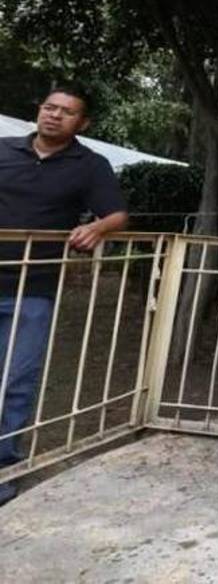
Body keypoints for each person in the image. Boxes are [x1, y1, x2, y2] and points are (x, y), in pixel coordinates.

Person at [0, 86, 128, 506]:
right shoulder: (4, 150)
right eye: (49, 107)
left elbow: (117, 214)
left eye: (66, 112)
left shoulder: (90, 165)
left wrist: (98, 228)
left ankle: (5, 467)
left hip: (32, 288)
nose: (54, 116)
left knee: (16, 380)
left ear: (82, 123)